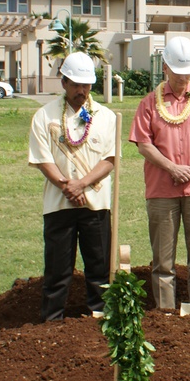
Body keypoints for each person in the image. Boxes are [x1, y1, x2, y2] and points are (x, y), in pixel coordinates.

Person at [129, 37, 190, 310]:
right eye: (178, 71)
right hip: (163, 189)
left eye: (188, 72)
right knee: (163, 259)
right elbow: (143, 144)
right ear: (165, 68)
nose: (184, 78)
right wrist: (171, 167)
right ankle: (166, 312)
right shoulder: (150, 103)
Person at [28, 51, 116, 322]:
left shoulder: (106, 116)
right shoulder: (44, 116)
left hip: (96, 204)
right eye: (76, 84)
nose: (81, 90)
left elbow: (110, 159)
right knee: (57, 269)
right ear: (63, 82)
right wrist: (68, 187)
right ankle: (52, 322)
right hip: (59, 204)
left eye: (86, 85)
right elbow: (42, 159)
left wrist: (82, 184)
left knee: (99, 268)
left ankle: (100, 320)